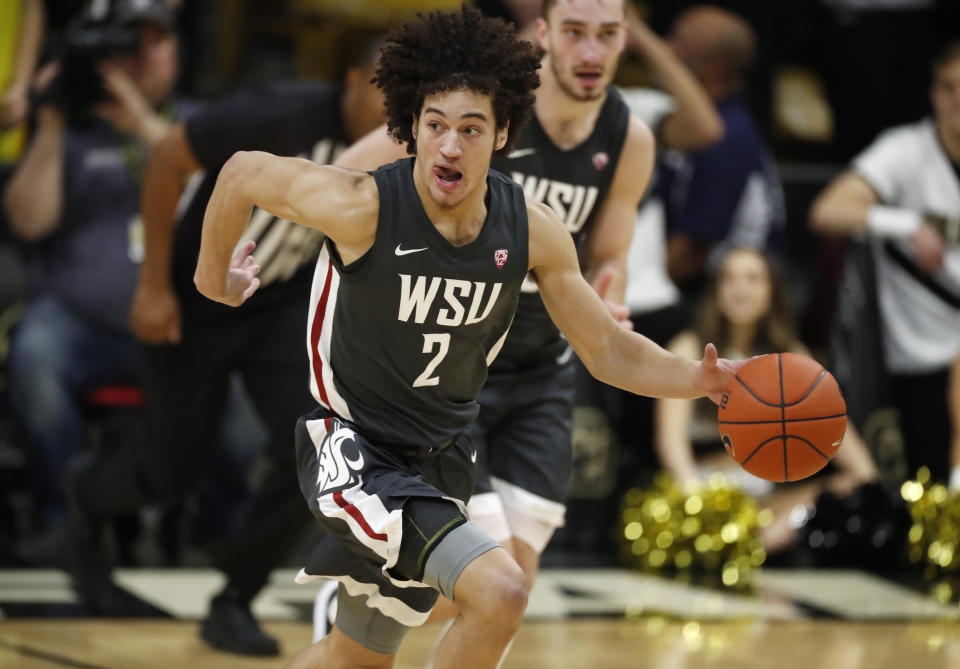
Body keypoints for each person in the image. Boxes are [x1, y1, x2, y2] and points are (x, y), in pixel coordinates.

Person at [192, 8, 745, 668]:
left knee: (353, 659)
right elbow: (243, 172)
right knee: (502, 589)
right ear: (413, 129)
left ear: (503, 133)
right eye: (435, 126)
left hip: (440, 459)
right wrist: (213, 278)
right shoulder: (363, 205)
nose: (450, 146)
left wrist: (698, 379)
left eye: (471, 129)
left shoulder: (534, 229)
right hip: (355, 453)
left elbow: (606, 347)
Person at [319, 0, 688, 637]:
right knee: (489, 581)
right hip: (459, 368)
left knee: (515, 580)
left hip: (546, 367)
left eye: (607, 34)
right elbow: (348, 179)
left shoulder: (630, 138)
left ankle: (365, 605)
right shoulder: (481, 109)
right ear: (543, 35)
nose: (591, 53)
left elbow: (611, 255)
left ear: (627, 38)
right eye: (575, 33)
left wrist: (609, 286)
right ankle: (358, 608)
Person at [65, 34, 388, 656]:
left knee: (325, 454)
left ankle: (235, 596)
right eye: (380, 94)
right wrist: (153, 285)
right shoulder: (274, 113)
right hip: (199, 294)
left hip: (279, 304)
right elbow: (166, 161)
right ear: (350, 83)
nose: (389, 113)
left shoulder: (400, 149)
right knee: (171, 472)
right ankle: (88, 497)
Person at [2, 0, 185, 537]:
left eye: (156, 42)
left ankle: (214, 536)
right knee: (34, 351)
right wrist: (51, 124)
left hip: (176, 325)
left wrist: (143, 126)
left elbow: (222, 196)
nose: (141, 57)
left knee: (242, 393)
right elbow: (27, 223)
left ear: (178, 53)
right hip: (76, 324)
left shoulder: (196, 124)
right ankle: (62, 522)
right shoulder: (75, 131)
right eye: (130, 44)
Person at [655, 247, 878, 552]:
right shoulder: (690, 346)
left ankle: (752, 547)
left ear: (772, 290)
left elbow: (839, 431)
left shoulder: (792, 355)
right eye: (729, 279)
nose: (740, 289)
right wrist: (698, 503)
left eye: (753, 278)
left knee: (844, 486)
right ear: (715, 292)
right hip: (701, 487)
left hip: (768, 500)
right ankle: (742, 546)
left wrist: (867, 479)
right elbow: (670, 439)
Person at [809, 40, 960, 485]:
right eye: (948, 87)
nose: (958, 99)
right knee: (933, 489)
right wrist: (904, 222)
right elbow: (826, 210)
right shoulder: (907, 150)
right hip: (927, 355)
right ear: (933, 93)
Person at [655, 5, 785, 297]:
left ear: (714, 67)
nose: (665, 49)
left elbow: (690, 255)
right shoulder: (688, 118)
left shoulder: (728, 138)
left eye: (679, 42)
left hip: (726, 294)